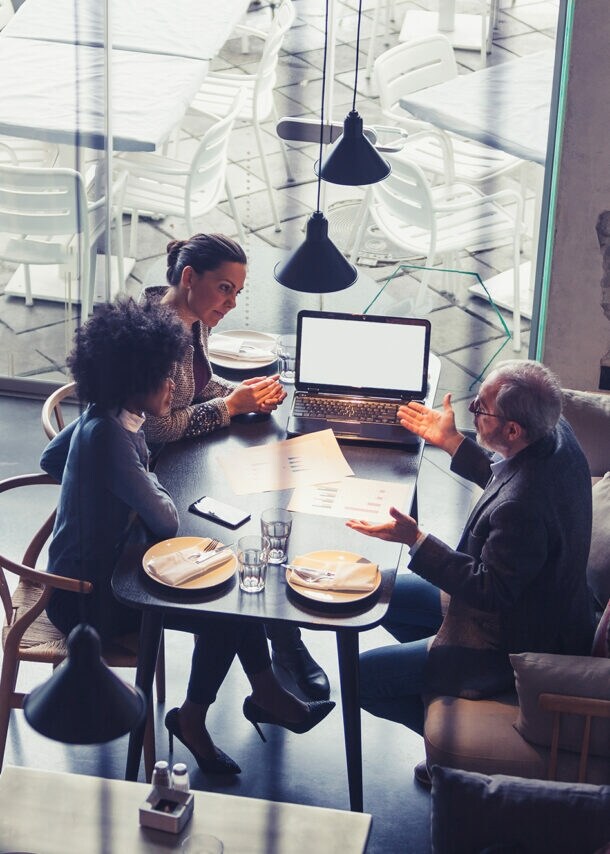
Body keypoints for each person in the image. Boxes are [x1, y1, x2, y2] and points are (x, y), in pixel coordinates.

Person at [41, 298, 334, 776]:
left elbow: (52, 459)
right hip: (87, 599)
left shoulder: (102, 414)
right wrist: (138, 476)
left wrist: (100, 493)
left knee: (229, 596)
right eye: (164, 376)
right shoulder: (113, 438)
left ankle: (253, 696)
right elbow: (167, 520)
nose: (176, 386)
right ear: (136, 381)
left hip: (93, 569)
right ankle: (214, 713)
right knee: (224, 608)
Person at [347, 360, 596, 782]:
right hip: (534, 599)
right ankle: (439, 667)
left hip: (510, 636)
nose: (471, 409)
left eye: (482, 408)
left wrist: (416, 540)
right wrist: (452, 442)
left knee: (361, 679)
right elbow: (511, 476)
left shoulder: (524, 507)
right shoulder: (556, 434)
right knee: (375, 593)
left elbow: (490, 589)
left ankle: (451, 759)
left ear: (514, 430)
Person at [141, 233, 331, 701]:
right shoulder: (156, 337)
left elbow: (196, 386)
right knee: (244, 539)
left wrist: (246, 395)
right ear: (189, 278)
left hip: (182, 459)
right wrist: (232, 406)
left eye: (238, 292)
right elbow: (158, 429)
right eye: (225, 288)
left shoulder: (192, 319)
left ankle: (279, 650)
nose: (231, 302)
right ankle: (284, 643)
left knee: (263, 514)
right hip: (157, 475)